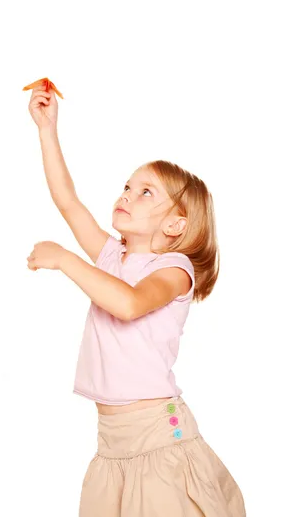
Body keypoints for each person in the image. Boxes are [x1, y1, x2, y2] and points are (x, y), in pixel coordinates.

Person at [26, 83, 246, 517]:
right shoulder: (112, 257)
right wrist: (47, 129)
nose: (127, 193)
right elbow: (68, 201)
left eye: (147, 192)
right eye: (128, 186)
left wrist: (67, 260)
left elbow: (128, 304)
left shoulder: (174, 271)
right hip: (112, 442)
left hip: (157, 439)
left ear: (175, 227)